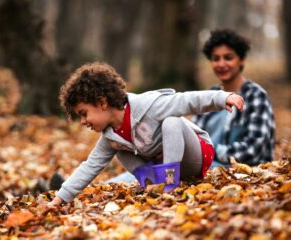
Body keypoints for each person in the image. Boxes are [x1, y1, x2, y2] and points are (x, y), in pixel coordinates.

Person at [48, 62, 244, 206]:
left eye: (84, 113)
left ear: (102, 102)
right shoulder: (110, 136)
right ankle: (153, 183)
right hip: (163, 163)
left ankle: (169, 184)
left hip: (196, 155)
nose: (83, 121)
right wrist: (59, 199)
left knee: (172, 121)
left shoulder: (150, 105)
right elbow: (90, 166)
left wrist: (222, 97)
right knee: (119, 147)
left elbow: (187, 100)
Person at [193, 29, 275, 168]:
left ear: (241, 60)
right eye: (216, 58)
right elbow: (193, 139)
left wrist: (210, 152)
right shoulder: (209, 96)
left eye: (228, 57)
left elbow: (253, 150)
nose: (221, 64)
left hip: (247, 176)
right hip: (207, 172)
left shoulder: (255, 95)